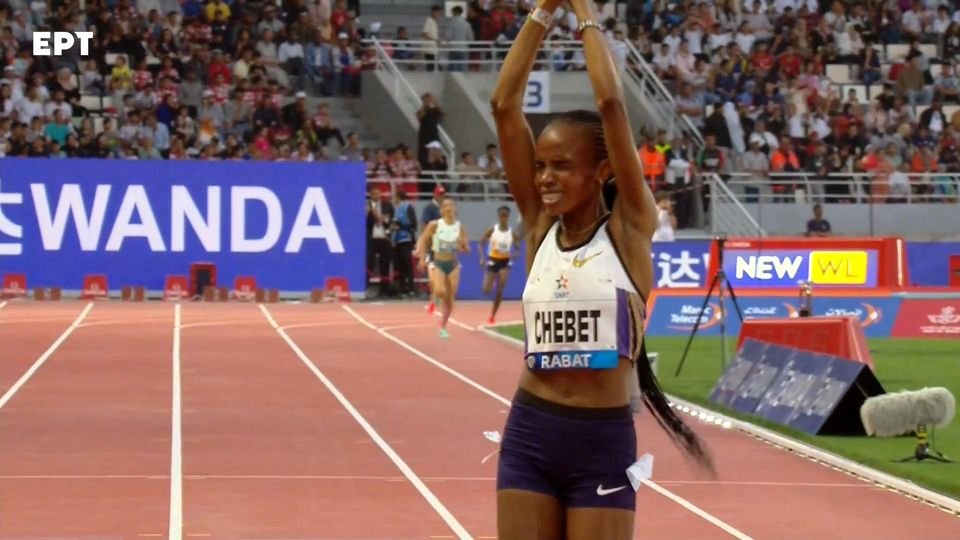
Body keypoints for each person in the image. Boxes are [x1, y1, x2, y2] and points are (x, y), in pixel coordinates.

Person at [489, 1, 714, 538]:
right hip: (530, 431)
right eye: (540, 166)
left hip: (600, 442)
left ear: (603, 171)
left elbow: (610, 102)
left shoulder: (629, 230)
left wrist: (585, 12)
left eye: (561, 166)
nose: (544, 178)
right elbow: (503, 105)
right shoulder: (538, 226)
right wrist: (543, 10)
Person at [415, 197, 469, 338]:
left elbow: (466, 249)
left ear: (455, 209)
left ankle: (443, 326)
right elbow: (423, 239)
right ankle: (434, 298)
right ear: (442, 210)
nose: (449, 208)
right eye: (446, 206)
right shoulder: (435, 225)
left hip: (453, 265)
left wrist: (462, 245)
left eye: (451, 205)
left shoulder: (459, 227)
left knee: (450, 299)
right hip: (439, 262)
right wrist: (421, 258)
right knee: (440, 290)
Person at [479, 205, 520, 324]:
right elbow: (481, 244)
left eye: (505, 216)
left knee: (501, 288)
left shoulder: (512, 233)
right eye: (502, 216)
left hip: (505, 262)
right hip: (493, 260)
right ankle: (492, 282)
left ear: (508, 216)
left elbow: (517, 249)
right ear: (498, 216)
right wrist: (482, 258)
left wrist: (514, 255)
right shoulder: (492, 230)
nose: (503, 218)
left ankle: (492, 315)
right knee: (486, 290)